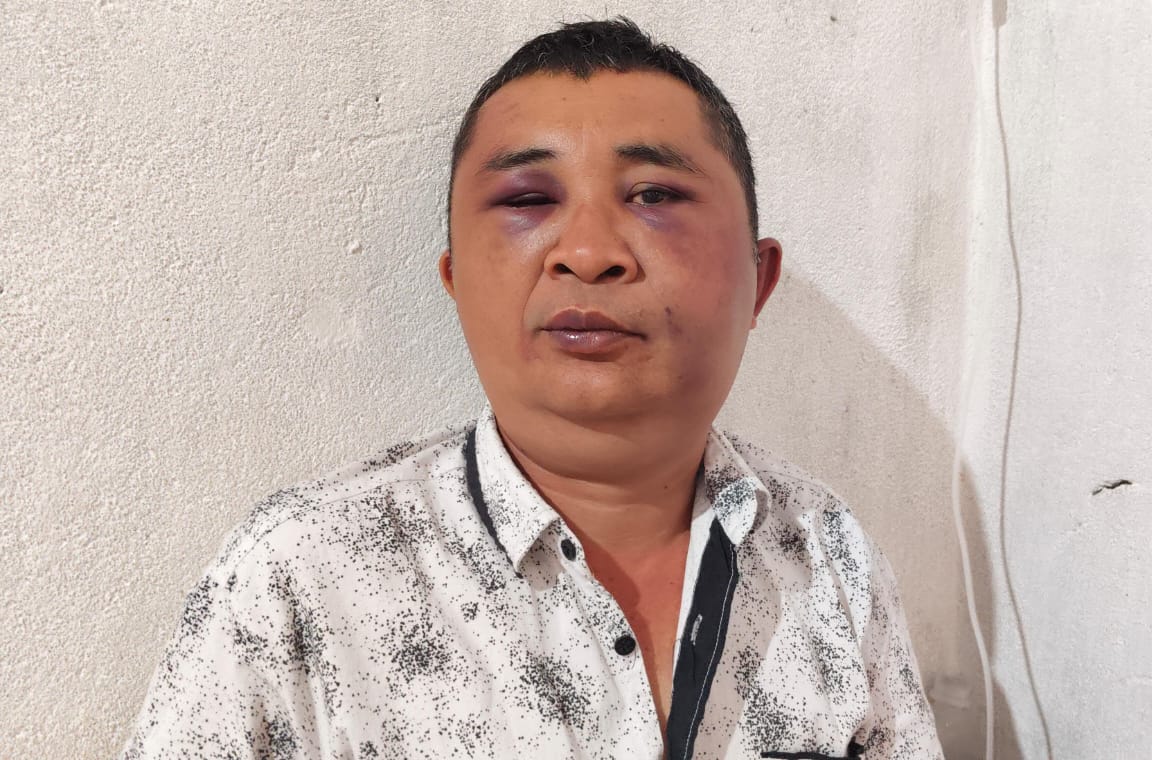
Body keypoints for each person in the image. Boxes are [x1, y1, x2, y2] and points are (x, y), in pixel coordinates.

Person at [121, 18, 943, 760]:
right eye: (526, 199)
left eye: (655, 195)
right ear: (456, 281)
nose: (588, 252)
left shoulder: (829, 555)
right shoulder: (303, 576)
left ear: (757, 282)